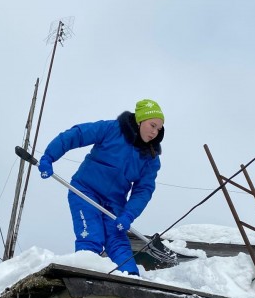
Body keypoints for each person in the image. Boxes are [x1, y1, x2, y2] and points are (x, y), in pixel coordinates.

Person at [38, 99, 165, 275]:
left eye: (159, 129)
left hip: (114, 204)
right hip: (85, 191)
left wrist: (128, 214)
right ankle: (86, 276)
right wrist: (49, 156)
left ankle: (132, 279)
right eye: (152, 125)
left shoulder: (150, 158)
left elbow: (143, 190)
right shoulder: (112, 129)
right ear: (140, 120)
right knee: (91, 236)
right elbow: (78, 134)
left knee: (118, 242)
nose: (154, 132)